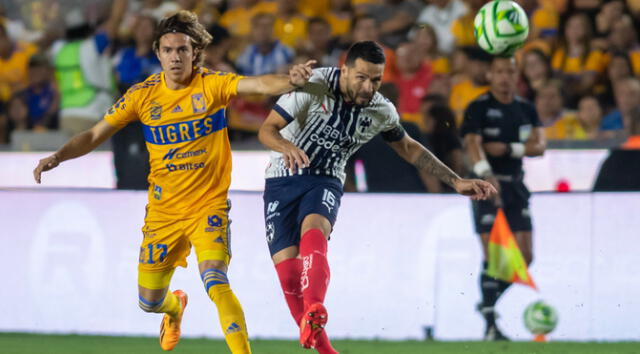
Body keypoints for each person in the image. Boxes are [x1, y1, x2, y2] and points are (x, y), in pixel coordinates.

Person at [33, 10, 314, 353]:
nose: (176, 57)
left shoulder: (211, 85)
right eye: (168, 50)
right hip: (163, 213)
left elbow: (256, 85)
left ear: (195, 53)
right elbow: (95, 133)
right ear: (158, 54)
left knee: (215, 280)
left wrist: (291, 81)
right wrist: (58, 156)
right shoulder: (143, 96)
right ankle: (174, 307)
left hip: (208, 206)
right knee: (149, 302)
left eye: (183, 49)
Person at [257, 41, 496, 353]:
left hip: (325, 180)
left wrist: (456, 181)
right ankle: (325, 348)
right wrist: (285, 147)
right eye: (362, 78)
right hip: (281, 180)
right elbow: (267, 130)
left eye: (376, 79)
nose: (369, 87)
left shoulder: (380, 110)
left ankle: (315, 306)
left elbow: (409, 147)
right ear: (345, 70)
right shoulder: (313, 86)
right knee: (288, 274)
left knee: (315, 231)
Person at [460, 56, 546, 341]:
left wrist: (509, 149)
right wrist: (485, 172)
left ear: (517, 75)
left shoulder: (526, 109)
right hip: (485, 186)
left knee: (526, 256)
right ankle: (490, 324)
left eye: (510, 71)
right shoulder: (478, 107)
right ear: (490, 74)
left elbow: (540, 146)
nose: (505, 77)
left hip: (516, 187)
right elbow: (473, 144)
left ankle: (486, 305)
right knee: (495, 258)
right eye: (499, 71)